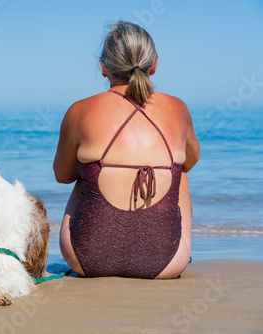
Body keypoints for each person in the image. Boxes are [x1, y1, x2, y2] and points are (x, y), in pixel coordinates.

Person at [53, 21, 200, 279]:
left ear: (103, 67)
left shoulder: (79, 110)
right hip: (167, 263)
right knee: (181, 170)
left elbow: (62, 176)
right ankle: (175, 247)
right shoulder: (178, 108)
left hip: (85, 259)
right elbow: (192, 160)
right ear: (153, 65)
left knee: (85, 170)